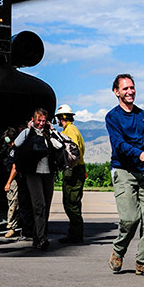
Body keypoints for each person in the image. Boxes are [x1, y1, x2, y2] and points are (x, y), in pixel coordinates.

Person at [106, 74, 144, 277]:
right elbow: (119, 145)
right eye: (125, 89)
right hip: (124, 171)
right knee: (130, 219)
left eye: (132, 87)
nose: (130, 91)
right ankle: (118, 250)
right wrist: (139, 154)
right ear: (116, 92)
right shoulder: (112, 117)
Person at [14, 108, 54, 250]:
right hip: (33, 173)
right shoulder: (27, 132)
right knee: (39, 205)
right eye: (39, 121)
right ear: (33, 119)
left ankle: (39, 237)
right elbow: (16, 145)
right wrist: (29, 130)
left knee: (46, 205)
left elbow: (58, 145)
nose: (41, 124)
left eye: (44, 121)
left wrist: (52, 131)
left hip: (48, 173)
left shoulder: (49, 134)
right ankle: (41, 238)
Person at [55, 104, 87, 244]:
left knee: (71, 203)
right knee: (72, 202)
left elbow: (73, 151)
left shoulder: (70, 131)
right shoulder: (71, 129)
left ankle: (76, 235)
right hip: (76, 170)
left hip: (74, 170)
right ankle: (74, 234)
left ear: (62, 118)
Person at [0, 127, 20, 239]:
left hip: (13, 179)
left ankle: (11, 227)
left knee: (13, 203)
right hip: (10, 177)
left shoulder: (15, 149)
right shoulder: (10, 149)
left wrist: (8, 183)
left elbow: (15, 167)